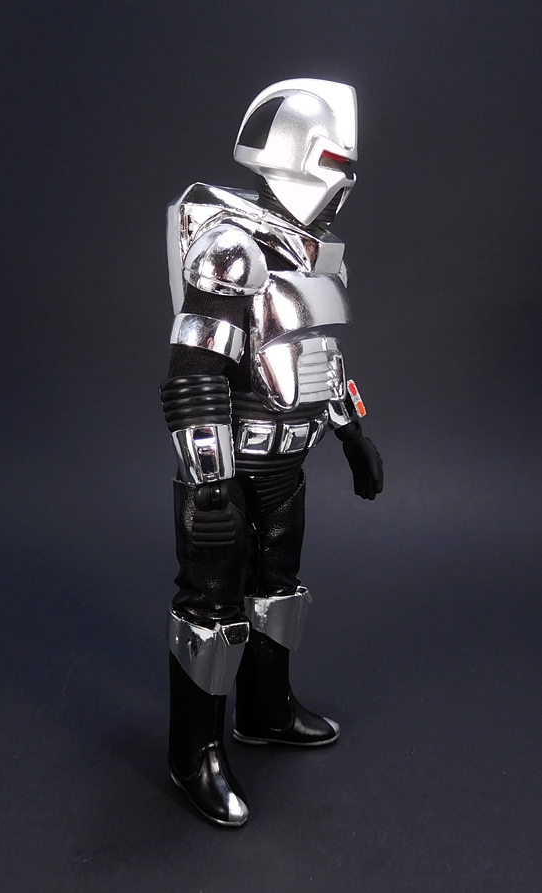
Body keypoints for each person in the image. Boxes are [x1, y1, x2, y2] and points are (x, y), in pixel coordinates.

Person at [160, 78, 383, 826]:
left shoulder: (316, 258)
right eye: (335, 163)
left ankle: (265, 709)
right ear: (295, 156)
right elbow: (195, 374)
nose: (343, 182)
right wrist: (209, 483)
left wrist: (351, 433)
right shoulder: (229, 248)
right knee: (211, 612)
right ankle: (193, 752)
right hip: (228, 469)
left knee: (278, 594)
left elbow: (317, 359)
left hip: (288, 462)